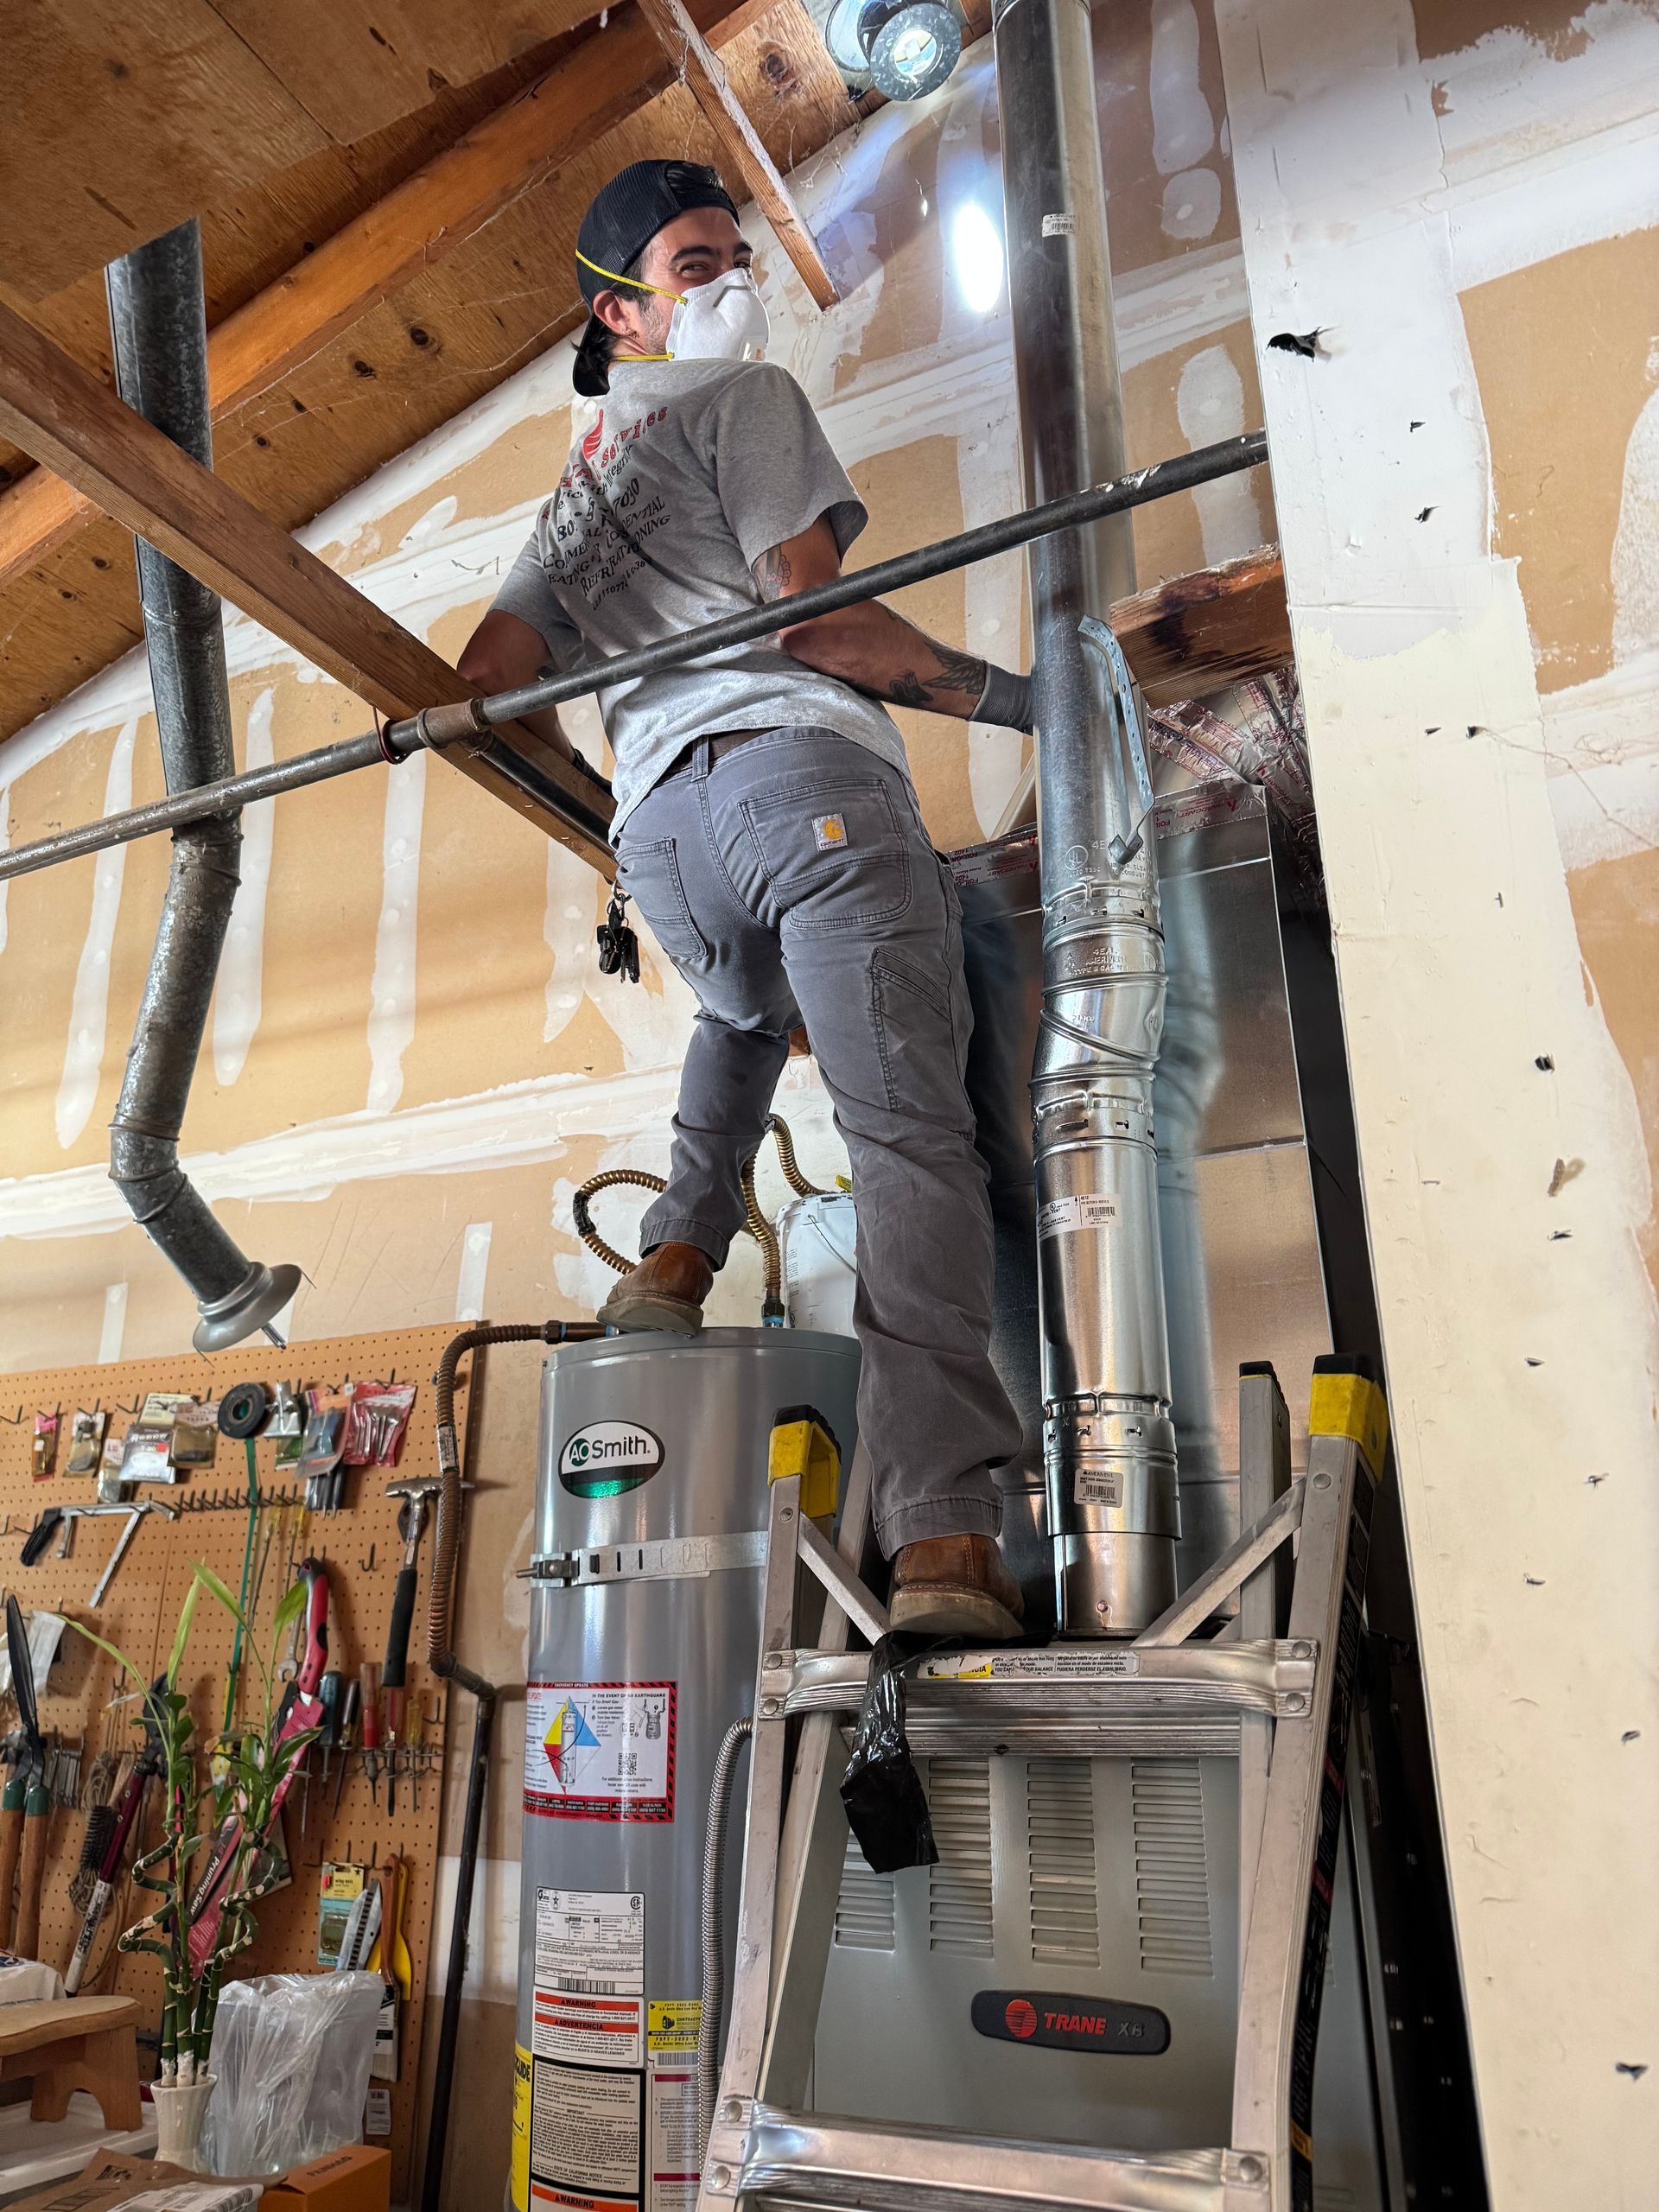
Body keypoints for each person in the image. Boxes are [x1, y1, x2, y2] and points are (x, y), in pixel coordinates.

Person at [460, 159, 1033, 1640]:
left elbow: (486, 689)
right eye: (699, 262)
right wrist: (1026, 705)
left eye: (736, 256)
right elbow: (825, 627)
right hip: (808, 781)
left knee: (737, 1003)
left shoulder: (575, 496)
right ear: (620, 310)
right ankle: (948, 1537)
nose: (736, 282)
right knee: (911, 1139)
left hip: (663, 843)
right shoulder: (750, 403)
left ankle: (678, 1247)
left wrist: (641, 791)